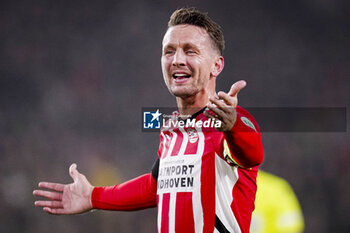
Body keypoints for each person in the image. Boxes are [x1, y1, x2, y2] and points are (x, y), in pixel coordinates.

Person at [33, 8, 264, 233]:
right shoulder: (171, 128)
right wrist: (93, 196)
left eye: (190, 51)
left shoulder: (228, 122)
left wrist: (233, 124)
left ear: (216, 65)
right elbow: (155, 185)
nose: (177, 60)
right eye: (169, 51)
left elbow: (252, 153)